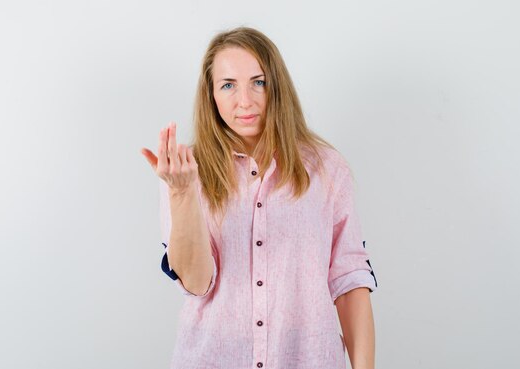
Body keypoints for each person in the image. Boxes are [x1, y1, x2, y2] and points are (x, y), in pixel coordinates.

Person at [141, 26, 378, 369]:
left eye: (259, 82)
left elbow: (350, 279)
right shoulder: (185, 172)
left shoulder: (327, 169)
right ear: (211, 95)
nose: (245, 101)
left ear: (276, 86)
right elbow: (195, 283)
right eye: (228, 85)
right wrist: (181, 193)